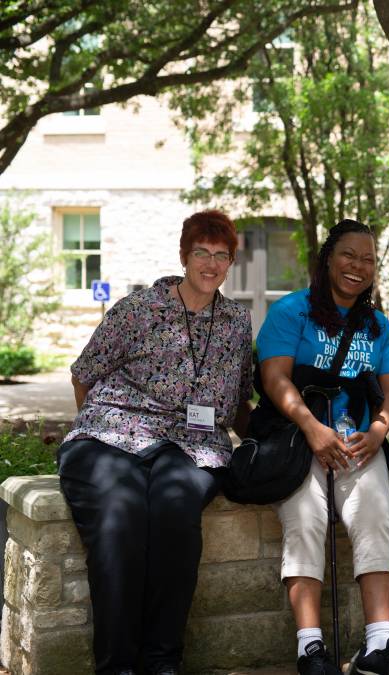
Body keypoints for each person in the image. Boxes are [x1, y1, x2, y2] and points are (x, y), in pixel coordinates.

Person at [57, 210, 253, 675]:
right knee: (118, 517)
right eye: (201, 253)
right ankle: (118, 665)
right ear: (184, 255)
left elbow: (241, 398)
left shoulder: (236, 323)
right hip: (112, 432)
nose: (210, 264)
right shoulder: (139, 308)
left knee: (175, 511)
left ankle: (162, 660)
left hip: (192, 444)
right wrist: (106, 423)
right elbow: (83, 377)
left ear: (230, 264)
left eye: (221, 256)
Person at [256, 220, 389, 675]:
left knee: (376, 515)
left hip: (357, 446)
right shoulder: (292, 312)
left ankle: (379, 646)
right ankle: (311, 648)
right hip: (300, 442)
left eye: (368, 260)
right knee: (304, 519)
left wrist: (380, 429)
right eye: (349, 255)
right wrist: (311, 428)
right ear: (328, 258)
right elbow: (274, 378)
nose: (358, 267)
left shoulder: (376, 325)